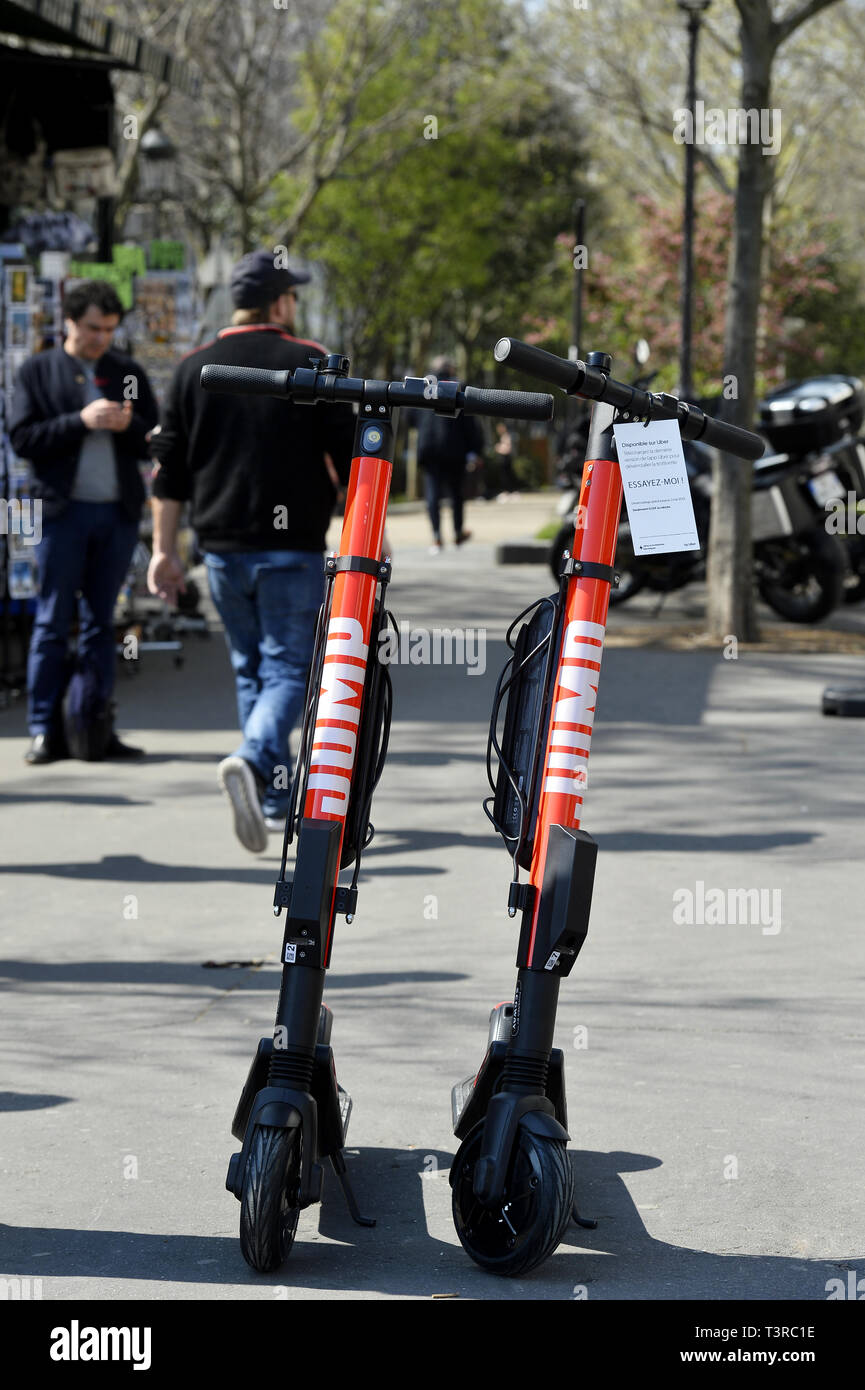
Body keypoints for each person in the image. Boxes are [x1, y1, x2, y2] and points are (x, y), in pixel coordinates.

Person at [147, 249, 354, 854]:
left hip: (220, 549)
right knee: (290, 668)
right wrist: (368, 531)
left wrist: (165, 551)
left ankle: (270, 794)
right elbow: (351, 460)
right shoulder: (312, 362)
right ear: (280, 303)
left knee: (252, 670)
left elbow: (169, 473)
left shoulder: (192, 368)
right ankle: (253, 758)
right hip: (290, 549)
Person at [10, 279, 158, 764]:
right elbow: (23, 438)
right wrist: (82, 421)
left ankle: (95, 727)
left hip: (115, 515)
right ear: (69, 322)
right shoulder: (39, 370)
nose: (101, 338)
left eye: (110, 330)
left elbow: (155, 439)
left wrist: (128, 427)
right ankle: (43, 730)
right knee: (52, 622)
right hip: (60, 515)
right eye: (94, 328)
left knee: (101, 625)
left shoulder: (127, 371)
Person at [415, 356, 483, 554]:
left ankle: (436, 537)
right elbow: (470, 422)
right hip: (455, 448)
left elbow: (411, 417)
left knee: (433, 493)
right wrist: (475, 449)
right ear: (450, 369)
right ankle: (458, 532)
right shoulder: (458, 386)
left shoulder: (422, 387)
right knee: (456, 494)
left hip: (429, 448)